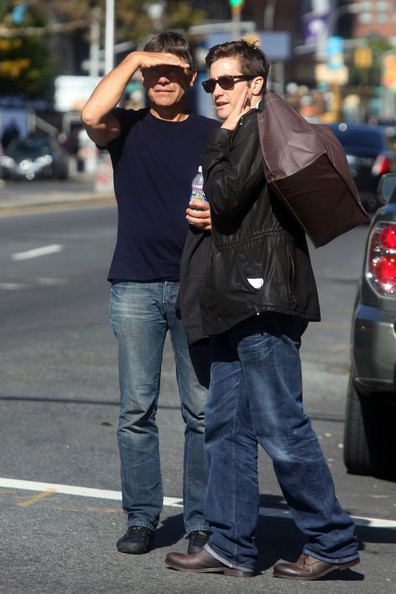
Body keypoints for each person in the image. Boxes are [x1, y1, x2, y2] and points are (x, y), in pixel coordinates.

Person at [165, 40, 360, 580]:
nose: (218, 92)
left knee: (279, 424)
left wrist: (219, 140)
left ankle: (332, 539)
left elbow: (225, 195)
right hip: (236, 296)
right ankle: (229, 544)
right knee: (226, 425)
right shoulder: (244, 132)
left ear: (255, 85)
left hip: (264, 296)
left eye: (227, 82)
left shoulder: (252, 130)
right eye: (212, 84)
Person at [81, 31, 219, 556]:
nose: (162, 78)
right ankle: (142, 517)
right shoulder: (127, 128)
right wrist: (138, 55)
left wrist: (218, 214)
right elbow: (91, 115)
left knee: (201, 413)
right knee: (135, 411)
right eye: (152, 71)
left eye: (173, 69)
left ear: (190, 77)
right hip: (135, 283)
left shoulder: (214, 132)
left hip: (197, 284)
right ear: (141, 76)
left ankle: (203, 521)